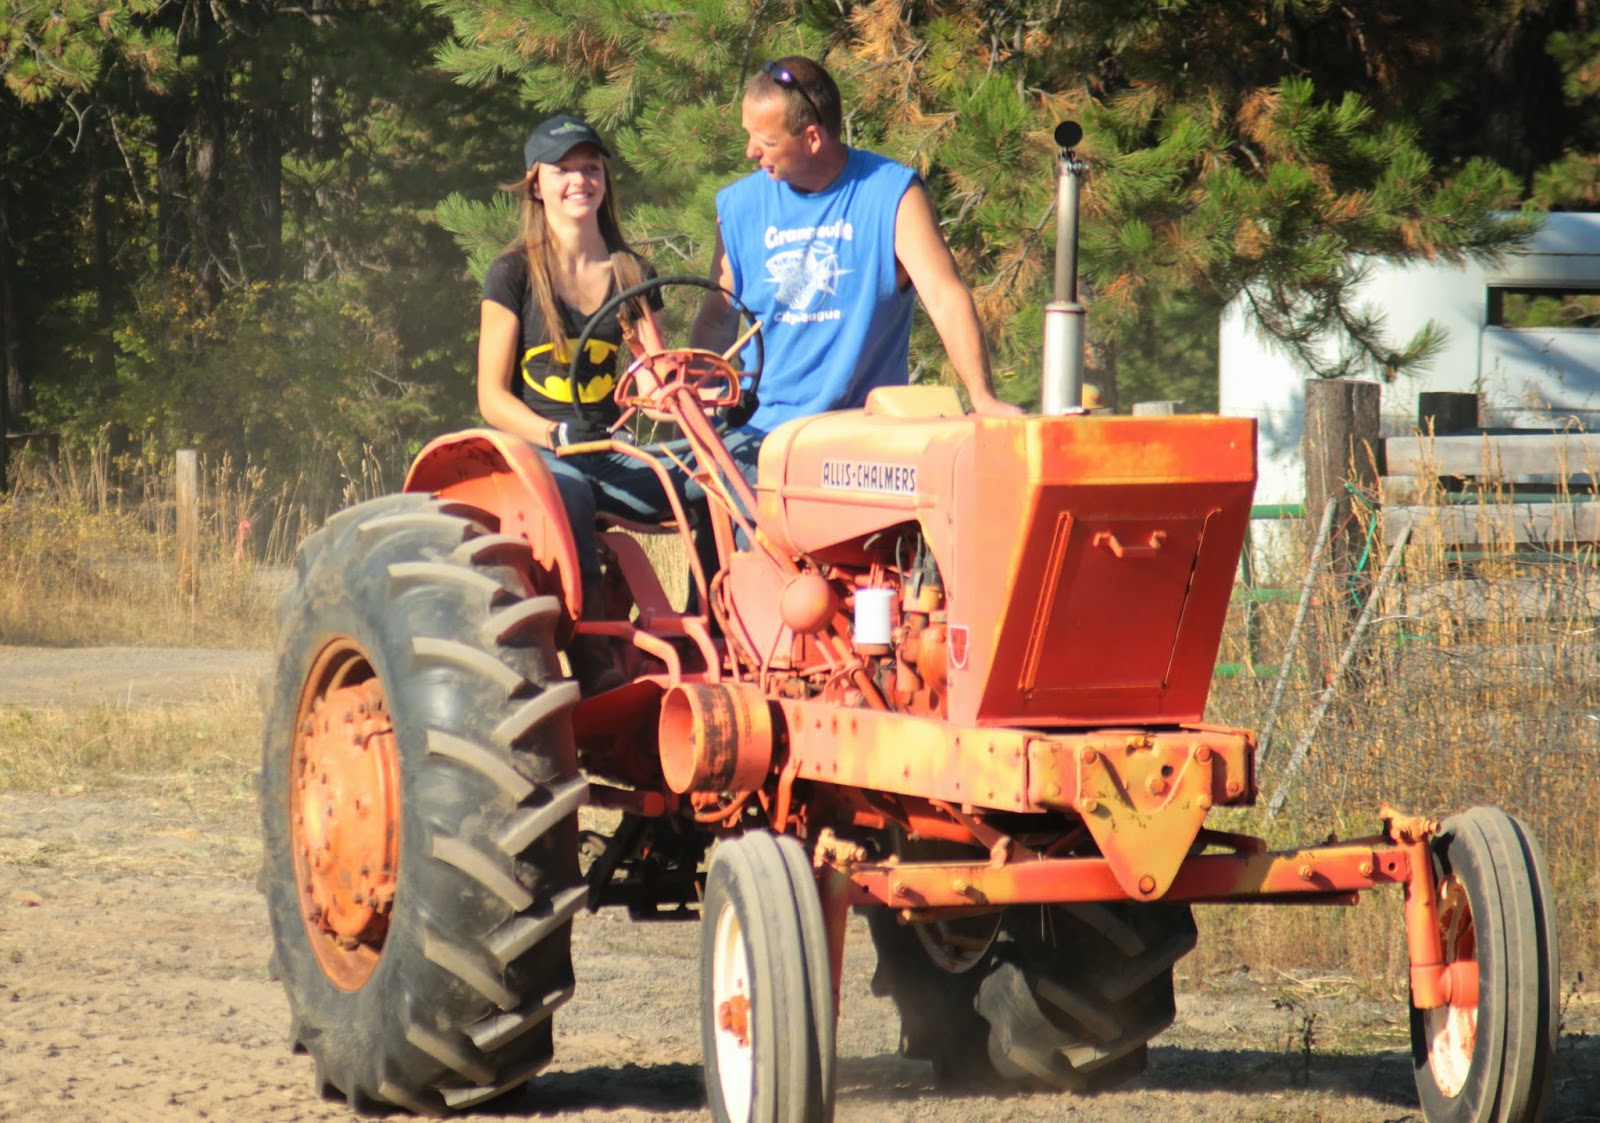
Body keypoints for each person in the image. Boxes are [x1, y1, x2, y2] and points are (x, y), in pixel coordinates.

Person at [690, 55, 1024, 478]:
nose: (750, 151)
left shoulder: (891, 193)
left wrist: (983, 396)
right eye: (749, 135)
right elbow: (719, 318)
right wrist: (699, 402)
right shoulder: (738, 206)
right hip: (762, 436)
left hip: (864, 440)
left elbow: (944, 295)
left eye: (766, 142)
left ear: (813, 138)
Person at [477, 113, 685, 691]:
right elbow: (491, 397)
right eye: (562, 169)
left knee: (713, 477)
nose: (579, 180)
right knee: (570, 487)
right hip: (537, 454)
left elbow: (650, 385)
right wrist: (553, 435)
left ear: (604, 180)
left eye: (590, 168)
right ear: (535, 183)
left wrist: (684, 397)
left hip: (606, 449)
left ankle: (710, 628)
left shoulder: (631, 271)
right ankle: (594, 655)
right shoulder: (513, 272)